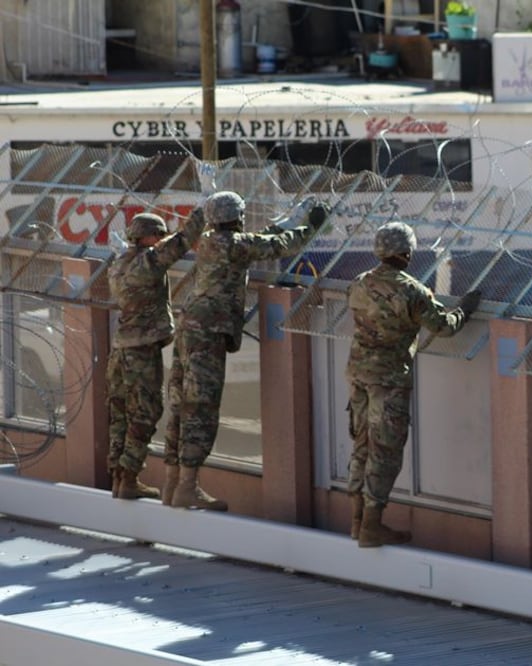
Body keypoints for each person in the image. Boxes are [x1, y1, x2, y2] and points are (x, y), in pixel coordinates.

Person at [163, 191, 330, 510]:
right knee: (201, 407)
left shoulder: (212, 239)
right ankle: (187, 487)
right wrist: (311, 226)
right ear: (237, 217)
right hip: (208, 333)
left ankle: (173, 484)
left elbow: (259, 239)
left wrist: (287, 223)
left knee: (181, 404)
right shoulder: (234, 244)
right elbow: (279, 246)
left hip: (190, 327)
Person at [346, 221, 481, 547]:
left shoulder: (359, 283)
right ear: (406, 253)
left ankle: (356, 521)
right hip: (389, 381)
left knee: (362, 445)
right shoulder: (412, 291)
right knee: (385, 450)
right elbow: (445, 327)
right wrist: (466, 307)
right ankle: (372, 526)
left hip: (358, 375)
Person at [107, 209, 206, 500]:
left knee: (119, 414)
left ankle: (118, 476)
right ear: (148, 236)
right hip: (141, 349)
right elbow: (183, 240)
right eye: (158, 235)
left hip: (120, 349)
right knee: (145, 412)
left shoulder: (119, 262)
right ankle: (129, 477)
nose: (161, 239)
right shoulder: (146, 261)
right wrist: (203, 208)